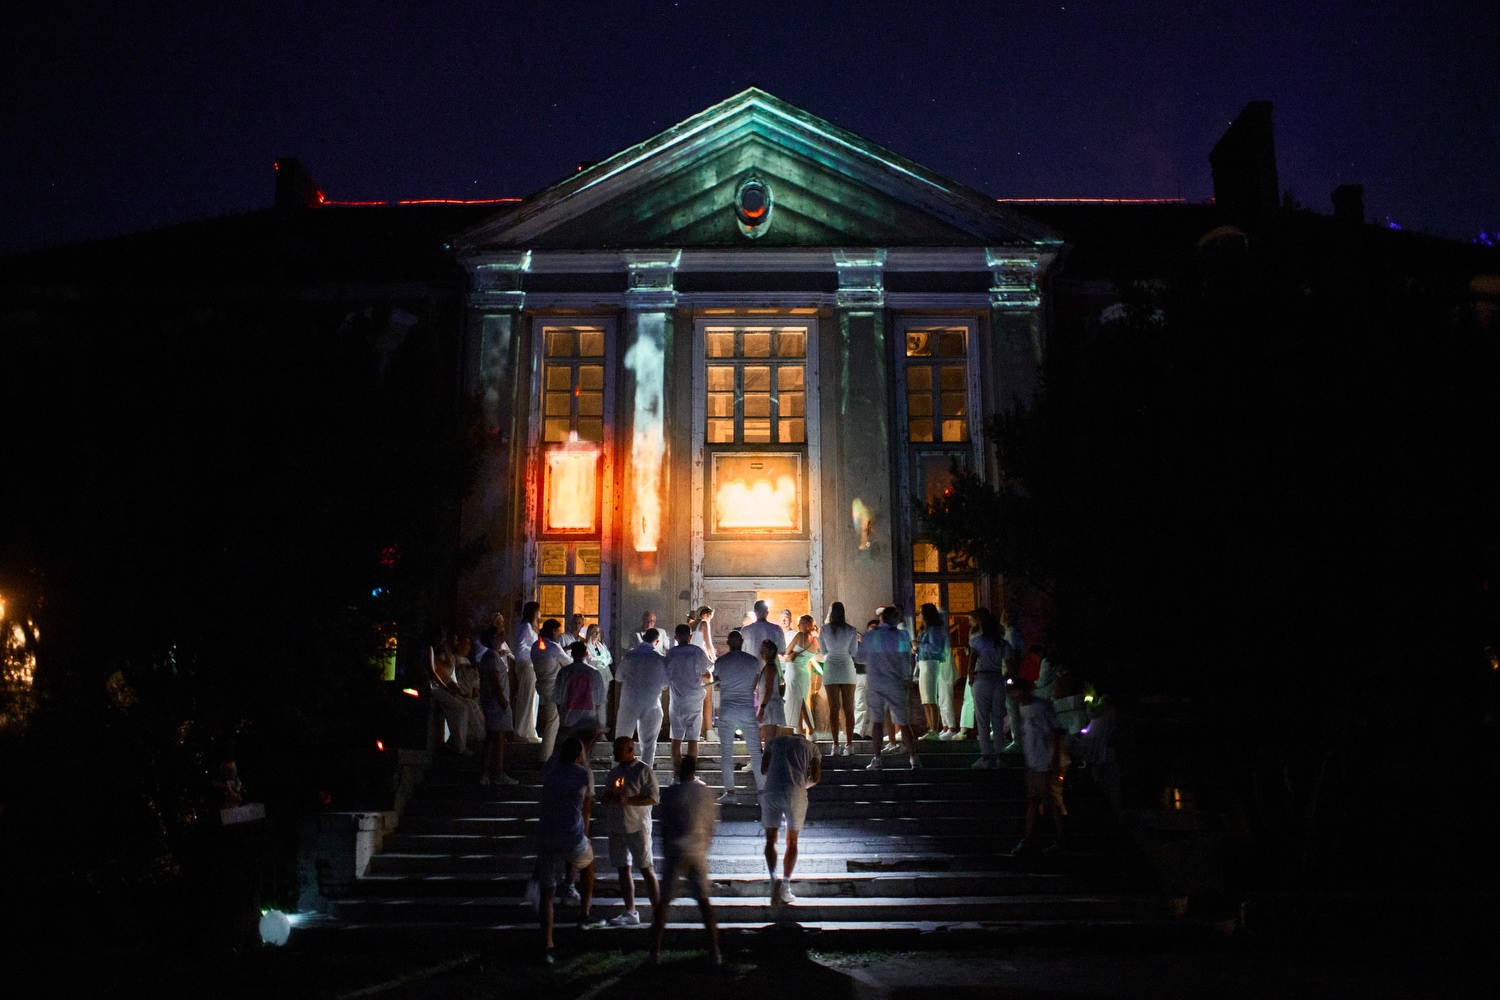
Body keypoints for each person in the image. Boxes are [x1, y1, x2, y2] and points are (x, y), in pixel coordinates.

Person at [535, 735, 605, 962]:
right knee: (588, 865)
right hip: (571, 833)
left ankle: (547, 944)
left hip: (547, 833)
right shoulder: (584, 774)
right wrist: (586, 831)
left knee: (547, 892)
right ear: (579, 755)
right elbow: (587, 808)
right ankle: (584, 913)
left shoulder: (551, 772)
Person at [649, 756, 721, 966]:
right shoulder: (705, 793)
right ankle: (715, 951)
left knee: (664, 902)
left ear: (679, 770)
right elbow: (711, 825)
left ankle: (654, 952)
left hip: (675, 849)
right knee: (704, 902)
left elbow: (663, 823)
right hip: (697, 850)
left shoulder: (670, 793)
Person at [601, 735, 660, 926]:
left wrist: (629, 800)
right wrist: (607, 798)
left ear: (630, 750)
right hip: (617, 826)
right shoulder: (614, 772)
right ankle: (630, 910)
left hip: (637, 827)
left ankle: (659, 912)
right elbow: (607, 794)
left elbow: (653, 798)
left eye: (619, 750)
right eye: (614, 749)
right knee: (623, 868)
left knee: (646, 868)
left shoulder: (643, 770)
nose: (615, 753)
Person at [760, 729, 821, 905]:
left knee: (770, 840)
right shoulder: (812, 747)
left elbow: (764, 769)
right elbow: (816, 778)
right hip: (795, 793)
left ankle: (773, 879)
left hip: (772, 791)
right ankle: (785, 886)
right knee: (792, 841)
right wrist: (801, 784)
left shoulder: (774, 742)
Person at [1010, 677, 1066, 854]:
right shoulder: (1023, 708)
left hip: (1044, 762)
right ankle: (1029, 838)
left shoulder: (1042, 707)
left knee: (1049, 800)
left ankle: (1060, 838)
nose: (1016, 696)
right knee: (1033, 800)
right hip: (1033, 763)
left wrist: (1054, 759)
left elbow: (1054, 733)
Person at [863, 605, 920, 769]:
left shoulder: (872, 636)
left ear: (881, 619)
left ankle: (877, 758)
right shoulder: (902, 635)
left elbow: (860, 657)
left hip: (876, 683)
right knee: (903, 722)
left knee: (877, 722)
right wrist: (907, 678)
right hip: (896, 683)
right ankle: (913, 758)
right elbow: (906, 659)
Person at [713, 629, 764, 803]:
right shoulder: (753, 661)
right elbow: (754, 684)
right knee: (755, 752)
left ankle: (731, 793)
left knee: (726, 752)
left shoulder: (721, 661)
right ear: (742, 642)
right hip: (747, 709)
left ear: (728, 643)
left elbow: (717, 684)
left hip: (727, 709)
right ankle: (762, 793)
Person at [664, 622, 713, 778]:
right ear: (690, 637)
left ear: (676, 637)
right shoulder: (697, 651)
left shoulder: (671, 653)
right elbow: (707, 674)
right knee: (693, 739)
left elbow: (666, 675)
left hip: (677, 702)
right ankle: (690, 775)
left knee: (676, 739)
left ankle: (677, 774)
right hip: (695, 700)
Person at [616, 627, 669, 770]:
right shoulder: (659, 659)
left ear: (643, 638)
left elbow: (618, 677)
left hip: (629, 702)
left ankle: (619, 773)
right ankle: (644, 775)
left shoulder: (629, 656)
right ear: (657, 642)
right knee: (648, 745)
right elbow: (665, 684)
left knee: (622, 740)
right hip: (651, 703)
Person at [966, 608, 1011, 769]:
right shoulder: (1002, 643)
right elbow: (1010, 666)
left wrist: (972, 681)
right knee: (998, 719)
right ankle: (1000, 756)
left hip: (982, 678)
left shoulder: (977, 642)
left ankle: (985, 757)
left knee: (982, 719)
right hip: (997, 678)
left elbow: (971, 665)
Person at [425, 626, 479, 756]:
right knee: (461, 709)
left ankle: (461, 742)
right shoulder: (432, 650)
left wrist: (458, 690)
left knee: (467, 705)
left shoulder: (450, 656)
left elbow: (451, 676)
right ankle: (457, 745)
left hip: (445, 686)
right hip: (435, 688)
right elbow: (434, 673)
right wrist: (446, 687)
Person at [476, 626, 518, 786]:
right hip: (496, 703)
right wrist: (503, 701)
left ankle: (489, 772)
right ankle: (496, 772)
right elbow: (495, 681)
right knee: (497, 738)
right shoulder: (492, 657)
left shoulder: (492, 655)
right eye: (498, 636)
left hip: (495, 702)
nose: (502, 639)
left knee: (494, 737)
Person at [819, 603, 859, 756]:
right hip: (847, 667)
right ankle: (849, 744)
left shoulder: (824, 629)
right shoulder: (851, 630)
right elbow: (854, 652)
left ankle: (835, 745)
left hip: (831, 667)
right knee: (849, 709)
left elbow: (823, 651)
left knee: (833, 709)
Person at [532, 618, 572, 760]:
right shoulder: (554, 647)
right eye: (558, 632)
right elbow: (568, 662)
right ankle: (545, 757)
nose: (559, 635)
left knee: (547, 721)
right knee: (552, 723)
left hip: (540, 686)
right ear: (553, 631)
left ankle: (548, 754)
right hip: (553, 688)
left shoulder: (535, 645)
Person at [916, 603, 954, 740]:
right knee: (925, 699)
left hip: (931, 663)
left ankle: (934, 729)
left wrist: (920, 645)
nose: (919, 615)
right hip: (923, 663)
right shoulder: (924, 630)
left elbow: (936, 648)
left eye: (921, 612)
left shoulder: (935, 630)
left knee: (931, 697)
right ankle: (930, 728)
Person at [556, 641, 607, 732]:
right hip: (587, 719)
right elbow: (599, 700)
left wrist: (562, 715)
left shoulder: (564, 672)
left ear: (571, 653)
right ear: (586, 654)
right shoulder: (594, 673)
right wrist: (593, 715)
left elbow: (558, 698)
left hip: (568, 719)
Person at [782, 614, 819, 737]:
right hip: (804, 672)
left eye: (801, 623)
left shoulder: (800, 636)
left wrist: (790, 654)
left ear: (808, 625)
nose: (798, 626)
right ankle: (799, 729)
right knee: (800, 699)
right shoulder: (815, 641)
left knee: (798, 701)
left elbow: (786, 651)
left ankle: (809, 729)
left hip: (794, 671)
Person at [512, 601, 543, 744]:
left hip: (531, 665)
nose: (540, 614)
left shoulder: (530, 627)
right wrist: (535, 652)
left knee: (532, 699)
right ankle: (522, 732)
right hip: (527, 666)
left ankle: (530, 731)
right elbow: (520, 648)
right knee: (527, 699)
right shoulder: (525, 627)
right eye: (538, 611)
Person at [583, 623, 616, 736]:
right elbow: (589, 659)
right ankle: (592, 728)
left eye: (598, 632)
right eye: (595, 632)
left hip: (604, 675)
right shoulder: (586, 645)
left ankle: (602, 728)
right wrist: (601, 660)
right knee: (593, 702)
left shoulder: (602, 645)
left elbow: (609, 658)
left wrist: (603, 661)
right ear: (590, 633)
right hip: (593, 676)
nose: (597, 634)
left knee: (603, 701)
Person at [688, 605, 716, 740]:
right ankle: (709, 730)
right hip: (701, 662)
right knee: (707, 697)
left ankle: (696, 730)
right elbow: (708, 645)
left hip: (691, 664)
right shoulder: (704, 623)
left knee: (694, 698)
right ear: (707, 615)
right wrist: (715, 659)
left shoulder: (691, 625)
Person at [755, 639, 786, 750]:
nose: (761, 653)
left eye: (764, 650)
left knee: (770, 740)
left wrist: (762, 708)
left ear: (771, 652)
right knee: (769, 739)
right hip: (770, 704)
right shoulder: (771, 666)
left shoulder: (770, 667)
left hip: (770, 705)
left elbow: (769, 688)